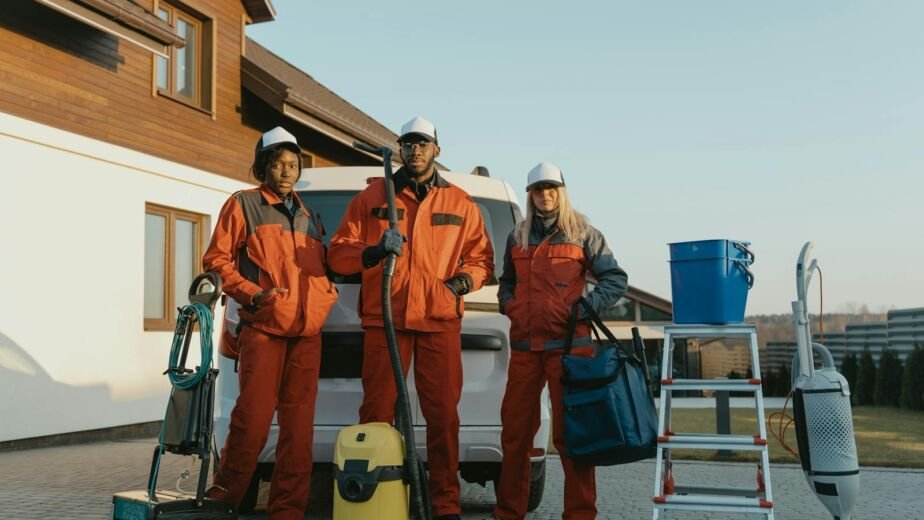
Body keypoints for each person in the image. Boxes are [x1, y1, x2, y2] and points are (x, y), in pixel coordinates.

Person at [327, 116, 494, 520]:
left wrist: (457, 285)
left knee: (442, 417)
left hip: (438, 318)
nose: (415, 150)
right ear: (400, 149)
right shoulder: (372, 198)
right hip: (386, 319)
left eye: (423, 143)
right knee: (378, 413)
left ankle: (445, 504)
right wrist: (373, 251)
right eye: (408, 143)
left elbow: (482, 259)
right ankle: (376, 501)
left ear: (437, 149)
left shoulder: (459, 201)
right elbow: (338, 252)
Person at [203, 127, 338, 519]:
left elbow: (322, 267)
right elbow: (216, 263)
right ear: (263, 165)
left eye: (293, 165)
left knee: (298, 434)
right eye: (278, 164)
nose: (286, 171)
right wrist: (253, 294)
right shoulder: (242, 205)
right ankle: (221, 505)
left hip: (307, 335)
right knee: (251, 424)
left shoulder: (309, 216)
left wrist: (327, 295)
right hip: (263, 331)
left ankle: (288, 512)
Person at [493, 163, 628, 520]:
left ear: (562, 191)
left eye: (551, 188)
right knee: (515, 436)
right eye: (538, 189)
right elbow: (506, 281)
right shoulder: (517, 236)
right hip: (525, 350)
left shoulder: (583, 233)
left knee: (573, 437)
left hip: (571, 352)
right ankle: (508, 512)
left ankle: (580, 515)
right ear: (530, 194)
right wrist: (511, 306)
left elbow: (615, 279)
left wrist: (583, 309)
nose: (545, 195)